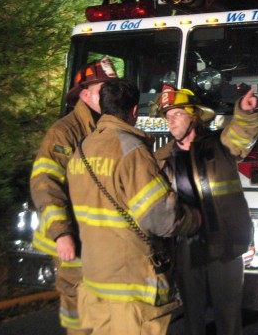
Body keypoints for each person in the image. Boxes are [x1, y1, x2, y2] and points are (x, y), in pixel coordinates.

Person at [67, 78, 202, 335]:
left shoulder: (82, 149)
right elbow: (161, 218)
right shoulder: (131, 150)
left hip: (93, 280)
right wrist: (194, 219)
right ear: (133, 111)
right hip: (131, 285)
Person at [151, 84, 258, 335]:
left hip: (223, 243)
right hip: (185, 246)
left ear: (194, 116)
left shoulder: (219, 146)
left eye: (177, 114)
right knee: (193, 316)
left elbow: (241, 135)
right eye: (167, 117)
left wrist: (244, 113)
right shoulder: (160, 158)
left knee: (228, 316)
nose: (171, 122)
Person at [29, 55, 118, 335]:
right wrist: (61, 233)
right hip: (75, 238)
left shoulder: (108, 126)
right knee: (78, 311)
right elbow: (45, 182)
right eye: (103, 89)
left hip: (100, 238)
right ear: (84, 93)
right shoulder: (64, 132)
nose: (109, 95)